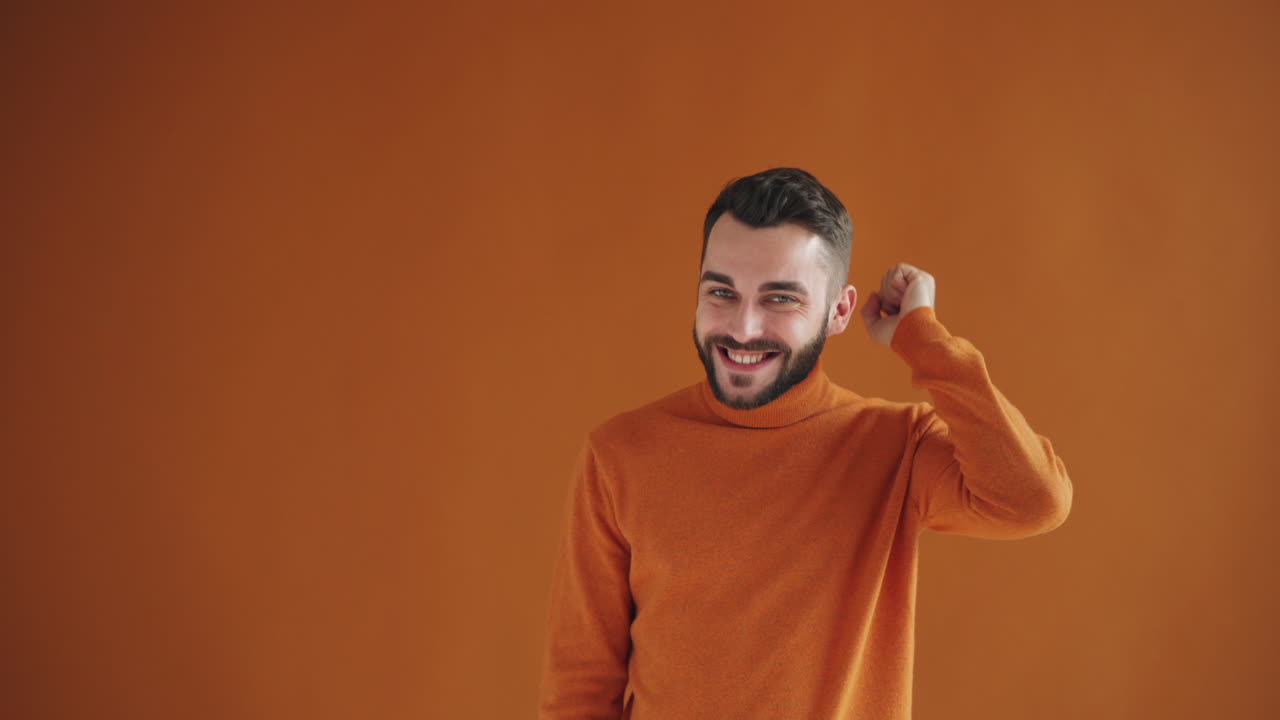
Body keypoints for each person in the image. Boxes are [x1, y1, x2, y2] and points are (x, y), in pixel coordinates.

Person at [536, 167, 1073, 720]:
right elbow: (581, 688)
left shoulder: (897, 448)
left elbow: (1033, 500)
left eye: (780, 299)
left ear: (839, 310)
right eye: (721, 292)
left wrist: (924, 338)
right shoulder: (620, 453)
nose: (743, 329)